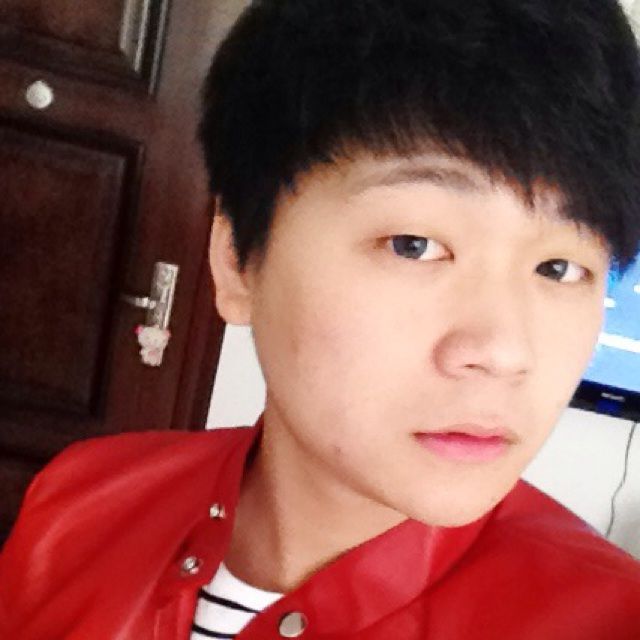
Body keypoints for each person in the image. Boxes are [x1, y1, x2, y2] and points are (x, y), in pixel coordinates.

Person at [3, 0, 640, 638]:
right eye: (413, 245)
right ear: (237, 260)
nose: (503, 352)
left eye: (559, 268)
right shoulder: (79, 505)